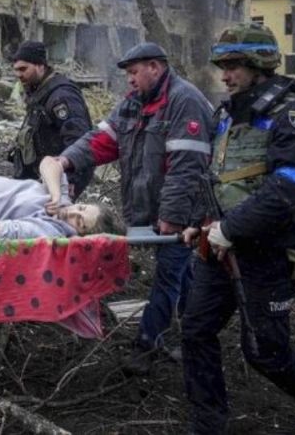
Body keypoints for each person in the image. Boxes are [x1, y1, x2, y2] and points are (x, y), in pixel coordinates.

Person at [180, 23, 295, 434]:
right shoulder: (227, 115)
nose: (225, 76)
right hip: (221, 249)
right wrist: (201, 224)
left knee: (266, 353)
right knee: (195, 330)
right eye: (223, 67)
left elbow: (290, 186)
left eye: (234, 67)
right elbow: (216, 178)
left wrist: (230, 229)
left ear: (260, 65)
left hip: (267, 252)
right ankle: (207, 425)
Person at [47, 42, 214, 375]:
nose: (130, 80)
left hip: (182, 213)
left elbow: (187, 167)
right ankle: (198, 329)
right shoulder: (133, 105)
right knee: (183, 273)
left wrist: (172, 217)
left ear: (155, 67)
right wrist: (65, 160)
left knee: (168, 275)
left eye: (134, 72)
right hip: (150, 210)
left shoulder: (185, 102)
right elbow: (101, 140)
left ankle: (147, 344)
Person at [6, 40, 94, 199]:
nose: (18, 74)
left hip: (59, 178)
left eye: (23, 69)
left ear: (40, 66)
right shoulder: (39, 92)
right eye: (16, 70)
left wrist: (70, 180)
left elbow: (78, 140)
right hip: (41, 178)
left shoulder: (61, 96)